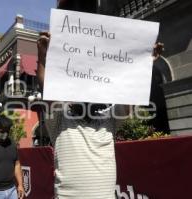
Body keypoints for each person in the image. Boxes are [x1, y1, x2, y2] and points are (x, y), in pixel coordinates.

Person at [37, 1, 164, 198]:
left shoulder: (109, 121)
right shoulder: (59, 122)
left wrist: (144, 64)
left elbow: (129, 94)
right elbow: (48, 89)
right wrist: (43, 57)